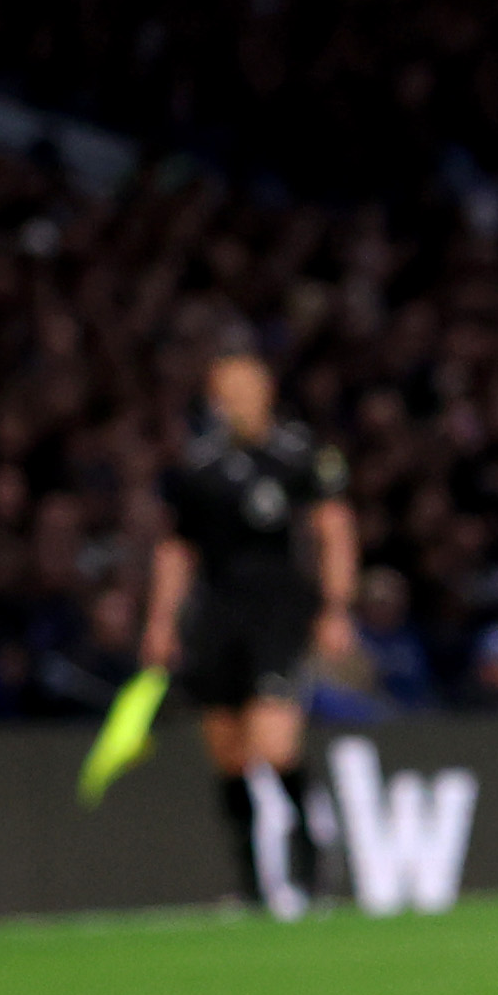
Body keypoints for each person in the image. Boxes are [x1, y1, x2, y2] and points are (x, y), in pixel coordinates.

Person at [142, 334, 358, 921]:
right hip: (216, 616)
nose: (238, 400)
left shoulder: (298, 455)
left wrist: (336, 607)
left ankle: (314, 866)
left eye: (247, 387)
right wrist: (161, 621)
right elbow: (176, 550)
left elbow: (333, 530)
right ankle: (253, 888)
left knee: (274, 743)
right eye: (226, 390)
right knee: (229, 754)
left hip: (279, 613)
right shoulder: (196, 468)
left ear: (266, 391)